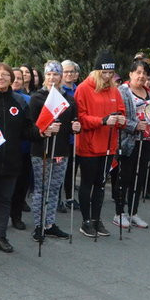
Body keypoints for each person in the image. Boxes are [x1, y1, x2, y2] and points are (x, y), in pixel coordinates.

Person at [0, 63, 41, 252]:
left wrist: (43, 132)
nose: (1, 78)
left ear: (11, 79)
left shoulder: (20, 101)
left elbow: (28, 130)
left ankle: (0, 236)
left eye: (5, 75)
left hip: (12, 159)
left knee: (5, 199)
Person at [74, 50, 126, 238]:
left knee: (101, 184)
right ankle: (86, 221)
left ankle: (96, 219)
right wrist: (102, 121)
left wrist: (120, 119)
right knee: (87, 183)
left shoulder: (114, 90)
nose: (108, 77)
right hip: (88, 145)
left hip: (108, 146)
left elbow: (122, 112)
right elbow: (80, 118)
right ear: (96, 71)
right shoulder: (83, 88)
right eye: (104, 73)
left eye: (111, 73)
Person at [28, 61, 80, 242]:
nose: (52, 78)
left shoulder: (69, 98)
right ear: (45, 76)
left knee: (54, 189)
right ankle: (38, 225)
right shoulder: (37, 98)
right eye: (49, 74)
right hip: (41, 150)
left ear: (60, 77)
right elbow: (31, 127)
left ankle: (49, 224)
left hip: (61, 150)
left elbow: (74, 121)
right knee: (41, 189)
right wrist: (45, 130)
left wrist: (76, 126)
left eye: (55, 74)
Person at [113, 60, 150, 230]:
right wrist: (134, 125)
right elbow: (118, 117)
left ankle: (133, 212)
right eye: (138, 72)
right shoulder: (122, 92)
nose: (141, 76)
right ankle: (119, 213)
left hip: (147, 141)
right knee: (125, 177)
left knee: (139, 178)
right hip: (129, 142)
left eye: (145, 73)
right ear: (131, 74)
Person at [9, 69, 32, 230]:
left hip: (23, 150)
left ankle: (16, 216)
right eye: (14, 78)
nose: (16, 81)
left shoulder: (27, 100)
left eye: (19, 78)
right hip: (4, 151)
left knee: (20, 186)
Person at [60, 60, 81, 211]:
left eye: (71, 72)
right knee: (59, 169)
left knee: (71, 169)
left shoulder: (79, 91)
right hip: (60, 136)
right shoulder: (57, 91)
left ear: (76, 75)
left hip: (75, 137)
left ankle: (69, 197)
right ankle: (57, 199)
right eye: (65, 71)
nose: (68, 74)